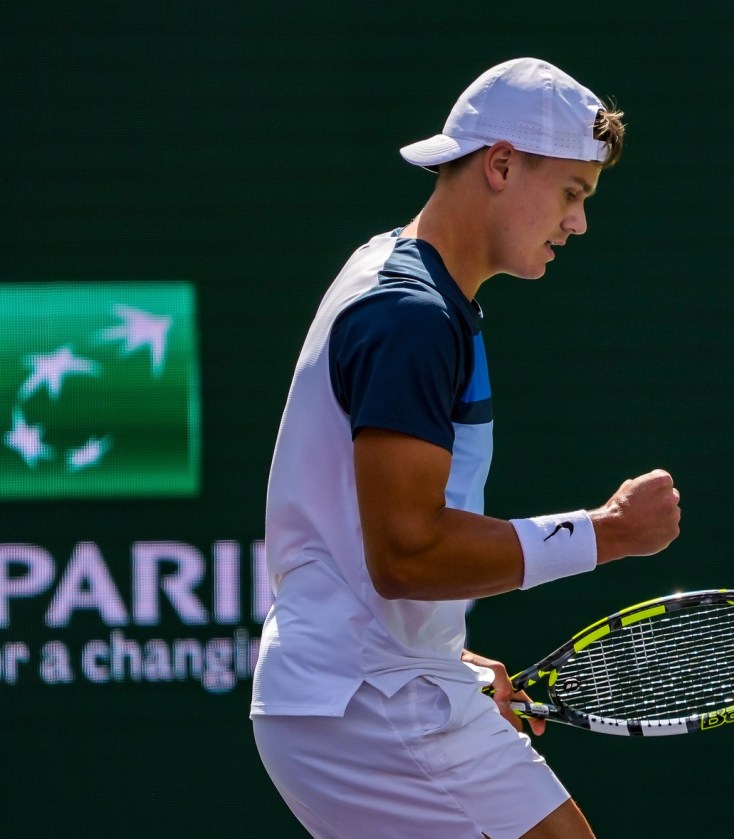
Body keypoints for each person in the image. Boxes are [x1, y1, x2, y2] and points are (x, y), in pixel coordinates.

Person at [250, 57, 681, 839]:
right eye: (571, 193)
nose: (578, 222)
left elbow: (379, 547)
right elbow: (405, 555)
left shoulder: (410, 284)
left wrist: (443, 652)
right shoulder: (410, 315)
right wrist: (607, 532)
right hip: (362, 703)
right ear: (503, 164)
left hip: (373, 680)